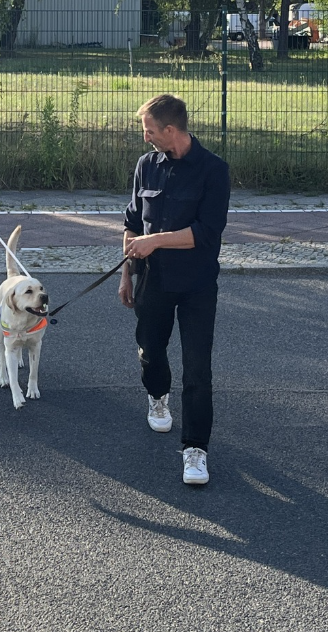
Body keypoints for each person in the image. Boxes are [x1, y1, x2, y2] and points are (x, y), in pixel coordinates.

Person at [118, 94, 230, 486]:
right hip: (153, 280)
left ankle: (195, 449)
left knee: (197, 368)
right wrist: (127, 274)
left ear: (170, 130)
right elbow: (132, 224)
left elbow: (206, 233)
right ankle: (157, 395)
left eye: (149, 130)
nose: (145, 137)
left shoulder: (214, 170)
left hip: (198, 285)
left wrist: (155, 241)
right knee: (150, 351)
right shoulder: (146, 166)